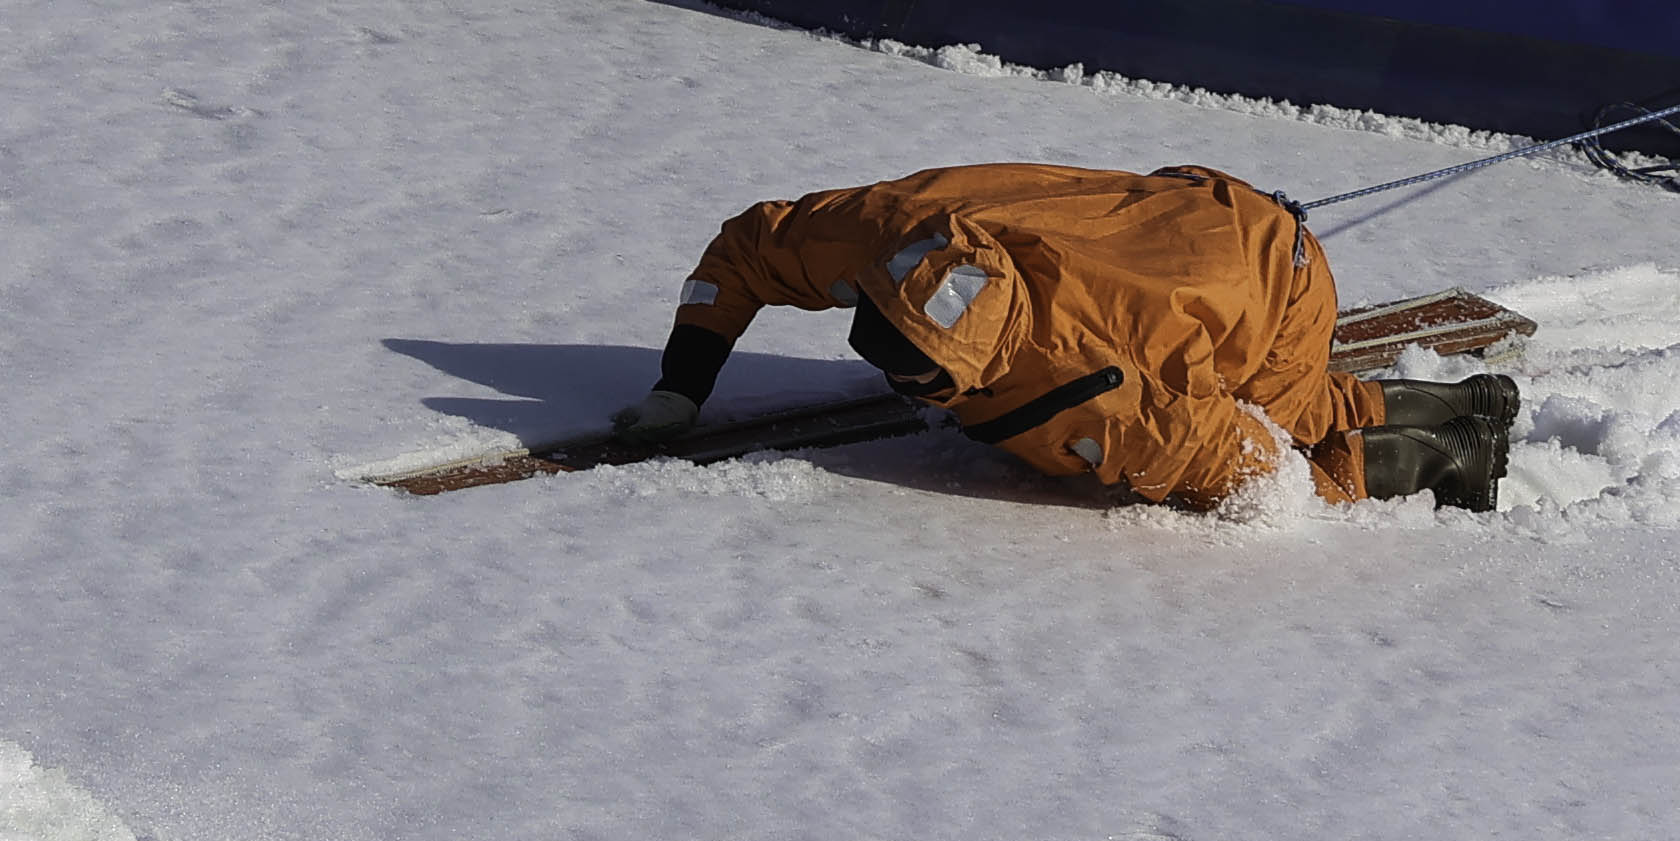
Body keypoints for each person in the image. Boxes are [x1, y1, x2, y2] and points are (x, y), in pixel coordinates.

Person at [616, 159, 1514, 512]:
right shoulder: (889, 229)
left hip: (1274, 292)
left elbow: (1240, 464)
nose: (912, 389)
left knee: (1292, 428)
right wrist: (682, 384)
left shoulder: (1074, 383)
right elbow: (742, 249)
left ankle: (1449, 453)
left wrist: (1319, 490)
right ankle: (1457, 398)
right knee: (1306, 405)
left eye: (931, 381)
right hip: (1204, 219)